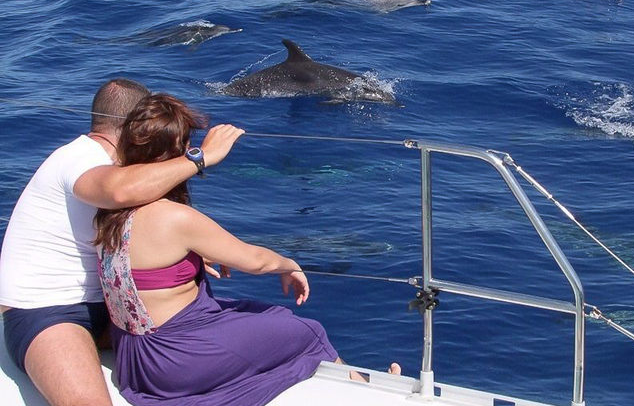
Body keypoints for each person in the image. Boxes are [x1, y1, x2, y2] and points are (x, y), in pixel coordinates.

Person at [94, 93, 399, 406]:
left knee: (252, 311)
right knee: (308, 331)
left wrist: (194, 257)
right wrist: (289, 264)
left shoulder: (107, 212)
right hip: (174, 362)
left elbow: (147, 265)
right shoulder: (173, 218)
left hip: (135, 358)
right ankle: (371, 394)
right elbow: (256, 262)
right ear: (176, 153)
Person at [0, 78, 245, 406]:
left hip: (111, 305)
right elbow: (118, 191)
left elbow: (137, 229)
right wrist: (200, 158)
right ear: (134, 127)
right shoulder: (80, 157)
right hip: (46, 312)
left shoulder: (124, 171)